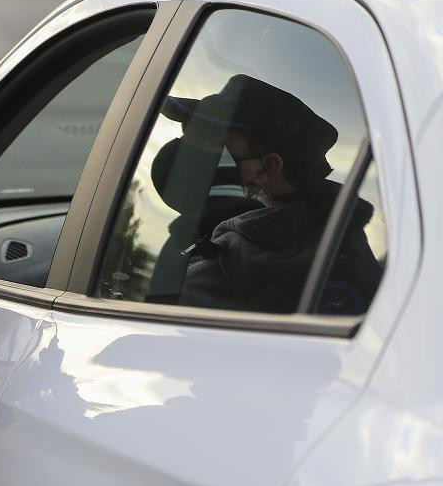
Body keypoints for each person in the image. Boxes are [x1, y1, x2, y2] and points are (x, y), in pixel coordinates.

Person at [149, 74, 381, 314]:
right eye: (190, 133)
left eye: (210, 138)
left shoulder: (222, 268)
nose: (187, 150)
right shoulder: (348, 247)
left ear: (266, 168)